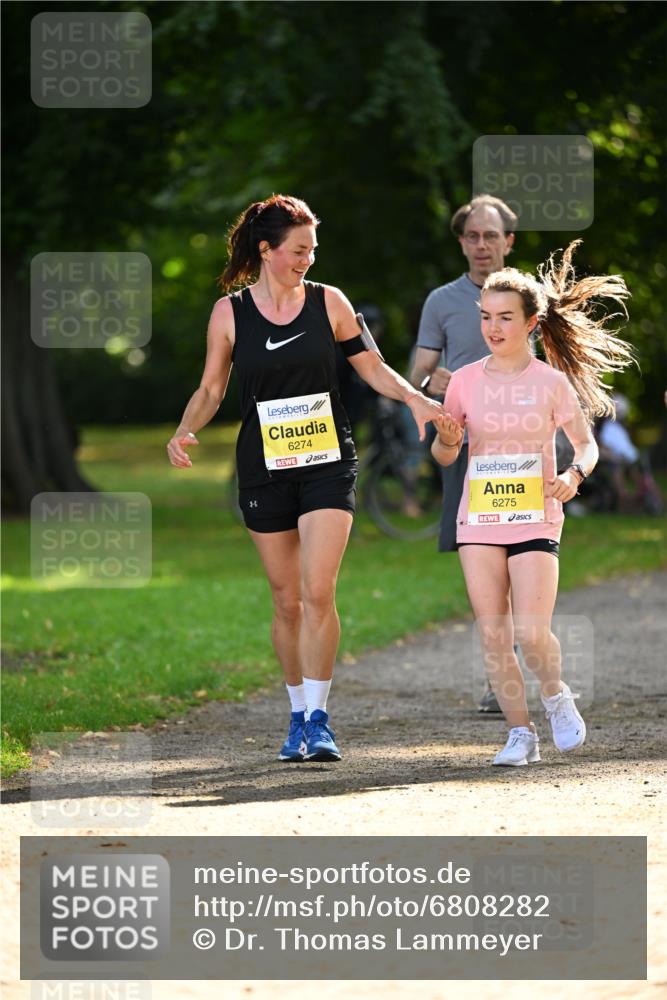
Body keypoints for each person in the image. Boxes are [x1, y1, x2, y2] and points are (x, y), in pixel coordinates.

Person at [166, 194, 441, 763]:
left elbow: (373, 367)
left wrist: (417, 400)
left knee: (318, 591)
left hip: (326, 462)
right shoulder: (230, 313)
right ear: (265, 250)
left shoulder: (330, 303)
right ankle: (295, 715)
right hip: (263, 468)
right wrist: (184, 429)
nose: (308, 259)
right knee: (286, 599)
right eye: (298, 250)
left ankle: (319, 719)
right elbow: (212, 388)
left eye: (313, 249)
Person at [431, 241, 635, 766]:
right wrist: (449, 437)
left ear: (530, 323)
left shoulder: (551, 382)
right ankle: (520, 735)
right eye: (485, 317)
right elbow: (444, 453)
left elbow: (586, 444)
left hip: (535, 513)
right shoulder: (465, 382)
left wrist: (573, 474)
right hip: (478, 515)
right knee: (493, 631)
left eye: (504, 317)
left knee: (529, 630)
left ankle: (555, 694)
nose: (492, 328)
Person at [410, 194, 519, 713]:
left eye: (491, 236)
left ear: (508, 242)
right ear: (461, 242)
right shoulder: (441, 302)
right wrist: (435, 379)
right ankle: (502, 677)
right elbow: (416, 377)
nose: (482, 245)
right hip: (468, 449)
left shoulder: (530, 297)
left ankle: (513, 670)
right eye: (472, 236)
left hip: (523, 451)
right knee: (484, 567)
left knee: (526, 559)